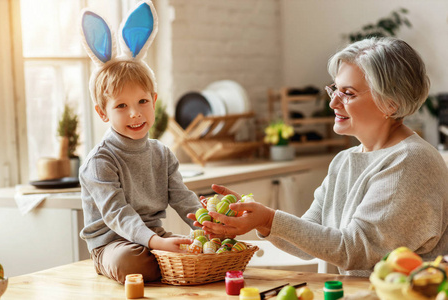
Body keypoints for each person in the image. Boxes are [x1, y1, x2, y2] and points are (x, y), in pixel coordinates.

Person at [190, 37, 448, 277]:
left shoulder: (410, 162)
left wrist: (269, 218)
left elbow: (354, 250)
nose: (333, 103)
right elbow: (310, 242)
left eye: (348, 93)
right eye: (334, 89)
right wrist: (257, 220)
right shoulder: (345, 160)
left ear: (390, 103)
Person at [79, 2, 201, 284]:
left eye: (142, 101)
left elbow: (182, 198)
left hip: (153, 238)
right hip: (112, 245)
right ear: (102, 112)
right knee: (131, 263)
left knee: (194, 250)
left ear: (154, 101)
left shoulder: (161, 153)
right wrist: (158, 245)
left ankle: (167, 261)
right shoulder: (100, 162)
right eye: (121, 105)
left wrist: (206, 225)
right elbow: (118, 214)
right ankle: (164, 263)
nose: (135, 113)